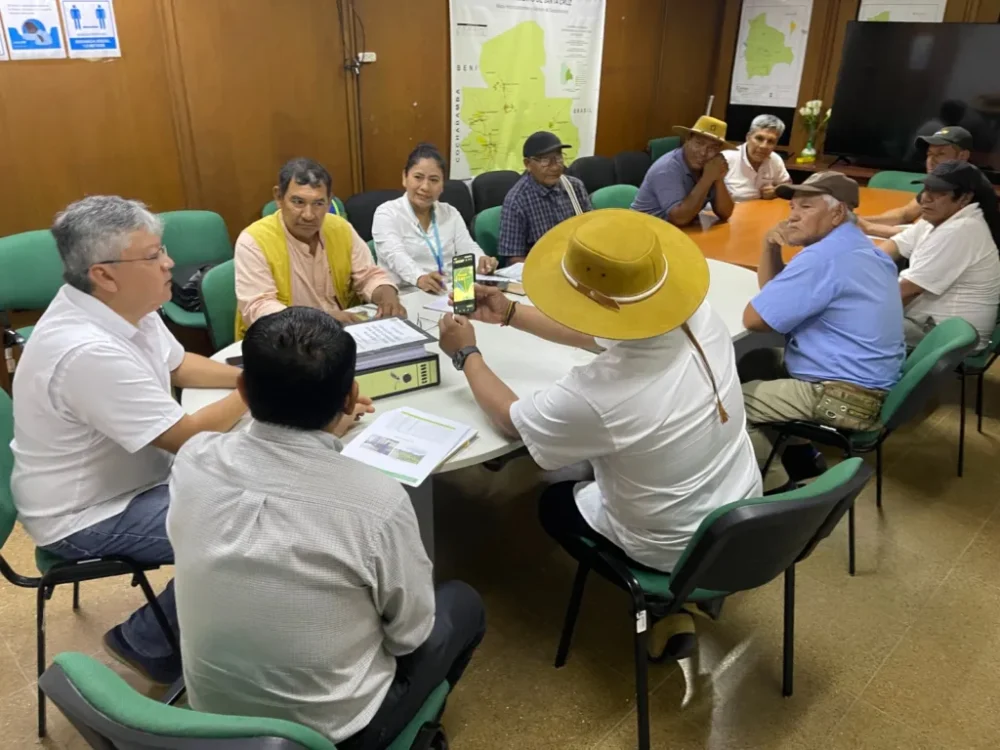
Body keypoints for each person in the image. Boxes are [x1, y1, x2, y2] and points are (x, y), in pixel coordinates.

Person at [437, 209, 761, 658]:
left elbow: (512, 420)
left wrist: (465, 352)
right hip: (739, 509)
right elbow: (608, 334)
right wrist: (511, 313)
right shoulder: (695, 314)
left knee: (550, 499)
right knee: (604, 453)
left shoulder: (601, 395)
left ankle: (660, 600)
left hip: (670, 544)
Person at [168, 307, 485, 750]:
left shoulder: (194, 459)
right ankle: (408, 732)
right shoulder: (376, 501)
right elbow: (408, 634)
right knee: (463, 605)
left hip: (213, 722)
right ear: (350, 395)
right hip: (334, 733)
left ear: (242, 388)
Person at [10, 196, 248, 684]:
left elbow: (178, 364)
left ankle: (217, 613)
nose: (170, 264)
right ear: (104, 273)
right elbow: (183, 436)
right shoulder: (85, 350)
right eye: (154, 254)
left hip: (129, 481)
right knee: (249, 525)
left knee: (252, 488)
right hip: (87, 514)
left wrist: (249, 373)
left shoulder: (124, 307)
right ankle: (145, 638)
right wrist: (265, 388)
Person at [741, 172, 905, 489]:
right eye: (792, 208)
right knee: (757, 361)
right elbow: (774, 298)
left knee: (727, 407)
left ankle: (779, 489)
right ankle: (803, 459)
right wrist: (770, 246)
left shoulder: (824, 257)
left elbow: (755, 319)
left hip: (845, 395)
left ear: (837, 212)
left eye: (806, 207)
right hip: (868, 382)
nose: (793, 216)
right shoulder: (859, 245)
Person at [235, 158, 405, 338]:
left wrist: (387, 295)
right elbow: (259, 307)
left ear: (329, 201)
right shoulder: (254, 241)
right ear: (279, 197)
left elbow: (368, 275)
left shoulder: (340, 228)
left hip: (341, 335)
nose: (309, 215)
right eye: (298, 202)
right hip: (284, 341)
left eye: (318, 203)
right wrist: (321, 319)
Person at [879, 161, 1000, 349]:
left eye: (939, 193)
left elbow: (908, 290)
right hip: (924, 324)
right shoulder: (937, 218)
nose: (925, 199)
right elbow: (894, 245)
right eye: (926, 190)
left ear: (964, 198)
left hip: (945, 337)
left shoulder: (962, 229)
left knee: (842, 321)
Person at [372, 143, 498, 294]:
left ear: (442, 185)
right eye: (418, 177)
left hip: (450, 293)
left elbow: (467, 248)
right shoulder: (387, 213)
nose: (425, 187)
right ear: (405, 177)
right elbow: (395, 256)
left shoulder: (450, 213)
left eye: (434, 180)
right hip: (407, 296)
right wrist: (420, 278)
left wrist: (482, 261)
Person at [860, 126, 973, 239]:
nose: (931, 161)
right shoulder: (939, 182)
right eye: (929, 154)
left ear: (962, 156)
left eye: (940, 154)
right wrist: (856, 220)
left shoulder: (967, 190)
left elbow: (926, 236)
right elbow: (904, 214)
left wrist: (868, 228)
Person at [497, 131, 592, 264]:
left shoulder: (575, 186)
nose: (555, 167)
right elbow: (514, 258)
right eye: (545, 160)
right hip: (541, 269)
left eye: (558, 158)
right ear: (528, 164)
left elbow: (590, 231)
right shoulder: (517, 201)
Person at [632, 116, 735, 227]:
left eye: (712, 148)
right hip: (644, 231)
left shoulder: (710, 167)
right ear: (687, 140)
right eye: (699, 143)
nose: (703, 153)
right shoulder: (667, 168)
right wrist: (707, 178)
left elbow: (725, 213)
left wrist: (718, 178)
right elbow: (679, 219)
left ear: (718, 152)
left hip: (676, 232)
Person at [723, 114, 792, 202]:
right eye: (759, 138)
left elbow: (788, 185)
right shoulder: (726, 158)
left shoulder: (775, 159)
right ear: (748, 137)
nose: (764, 146)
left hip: (758, 212)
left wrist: (776, 191)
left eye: (771, 141)